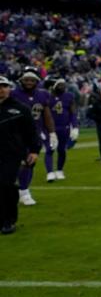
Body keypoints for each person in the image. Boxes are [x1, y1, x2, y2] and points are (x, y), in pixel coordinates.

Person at [0, 75, 40, 234]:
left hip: (13, 155)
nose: (1, 90)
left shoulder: (20, 109)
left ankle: (8, 221)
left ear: (9, 88)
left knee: (5, 185)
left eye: (4, 86)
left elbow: (31, 132)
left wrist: (35, 151)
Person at [12, 67, 55, 205]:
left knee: (30, 162)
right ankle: (19, 190)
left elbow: (47, 115)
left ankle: (24, 191)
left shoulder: (42, 95)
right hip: (15, 133)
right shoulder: (13, 94)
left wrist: (52, 132)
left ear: (37, 82)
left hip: (34, 133)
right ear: (21, 81)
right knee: (14, 163)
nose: (29, 82)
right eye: (26, 80)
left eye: (32, 80)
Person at [47, 78, 78, 181]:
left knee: (62, 150)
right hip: (51, 128)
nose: (63, 87)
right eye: (60, 85)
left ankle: (59, 170)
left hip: (64, 127)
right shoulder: (48, 97)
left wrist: (75, 127)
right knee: (50, 149)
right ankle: (50, 172)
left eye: (64, 85)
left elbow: (73, 112)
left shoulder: (69, 96)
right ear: (55, 86)